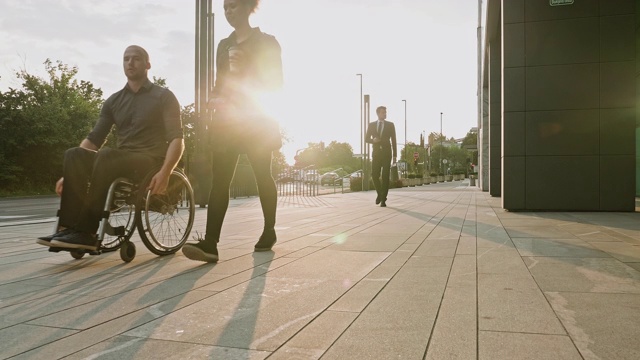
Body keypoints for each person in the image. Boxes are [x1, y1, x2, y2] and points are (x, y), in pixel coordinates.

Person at [36, 45, 184, 251]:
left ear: (148, 64)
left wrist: (166, 172)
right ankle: (68, 229)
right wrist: (70, 174)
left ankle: (87, 231)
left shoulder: (164, 96)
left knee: (107, 156)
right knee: (74, 154)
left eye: (136, 58)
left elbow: (177, 138)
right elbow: (94, 139)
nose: (130, 62)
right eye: (126, 58)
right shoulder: (114, 101)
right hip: (120, 159)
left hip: (149, 160)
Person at [181, 0, 283, 263]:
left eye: (234, 6)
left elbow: (275, 83)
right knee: (220, 180)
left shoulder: (267, 42)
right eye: (225, 7)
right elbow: (220, 84)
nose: (228, 12)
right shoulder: (223, 45)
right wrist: (214, 99)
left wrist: (246, 66)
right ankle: (211, 244)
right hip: (228, 124)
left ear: (249, 7)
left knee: (263, 175)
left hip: (256, 121)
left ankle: (269, 230)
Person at [365, 106, 397, 207]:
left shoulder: (390, 125)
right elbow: (366, 139)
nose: (385, 114)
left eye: (385, 112)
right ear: (378, 113)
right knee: (374, 175)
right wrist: (372, 141)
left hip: (387, 154)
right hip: (376, 154)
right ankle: (380, 193)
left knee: (385, 176)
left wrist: (395, 155)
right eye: (383, 112)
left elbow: (394, 140)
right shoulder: (371, 125)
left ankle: (383, 200)